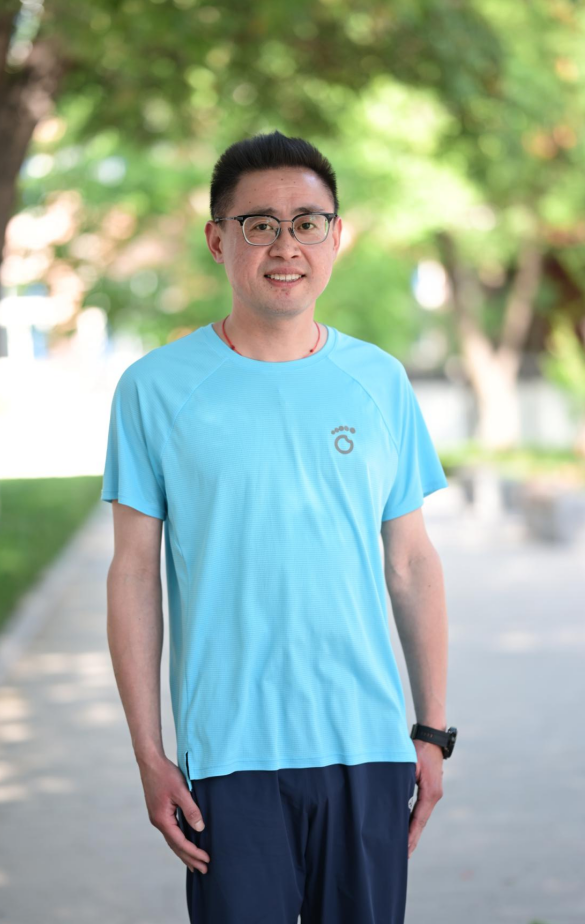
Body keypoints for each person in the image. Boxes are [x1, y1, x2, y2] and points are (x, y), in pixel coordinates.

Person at [101, 130, 454, 924]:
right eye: (259, 224)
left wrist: (431, 732)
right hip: (229, 756)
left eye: (307, 223)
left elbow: (410, 563)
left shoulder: (379, 382)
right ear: (216, 240)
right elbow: (133, 574)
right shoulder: (154, 389)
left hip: (367, 748)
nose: (285, 245)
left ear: (336, 235)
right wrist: (148, 754)